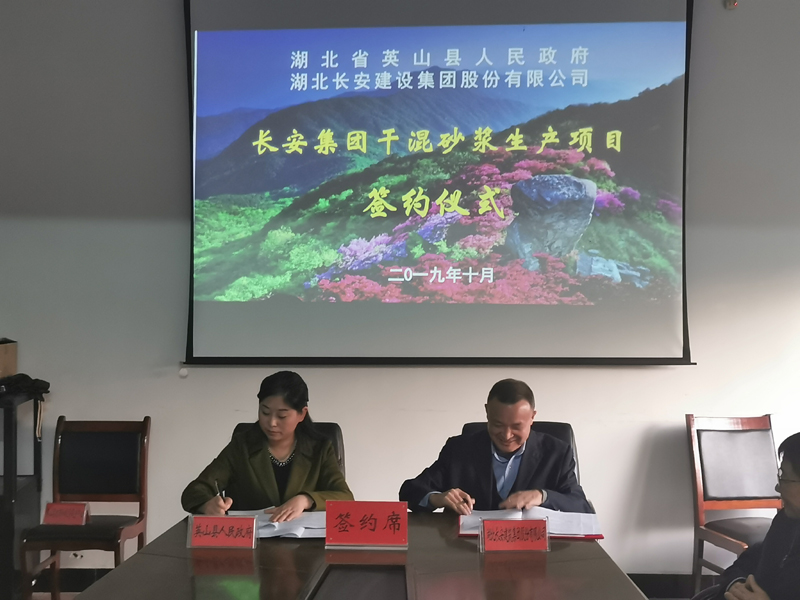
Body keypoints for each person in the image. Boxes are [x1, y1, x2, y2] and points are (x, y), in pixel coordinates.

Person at [398, 378, 592, 514]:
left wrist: (542, 496)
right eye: (498, 425)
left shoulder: (557, 453)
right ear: (487, 412)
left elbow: (580, 505)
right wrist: (437, 498)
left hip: (534, 552)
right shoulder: (459, 449)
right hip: (468, 551)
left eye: (516, 427)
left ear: (532, 417)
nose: (506, 435)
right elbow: (409, 491)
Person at [181, 371, 353, 522]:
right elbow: (194, 491)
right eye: (265, 412)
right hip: (253, 542)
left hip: (304, 544)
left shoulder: (319, 449)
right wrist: (207, 505)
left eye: (282, 416)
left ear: (302, 414)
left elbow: (345, 497)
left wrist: (306, 500)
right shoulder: (242, 446)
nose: (271, 423)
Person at [713, 432, 800, 600]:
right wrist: (736, 584)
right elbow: (744, 563)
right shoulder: (785, 521)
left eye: (785, 478)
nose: (778, 488)